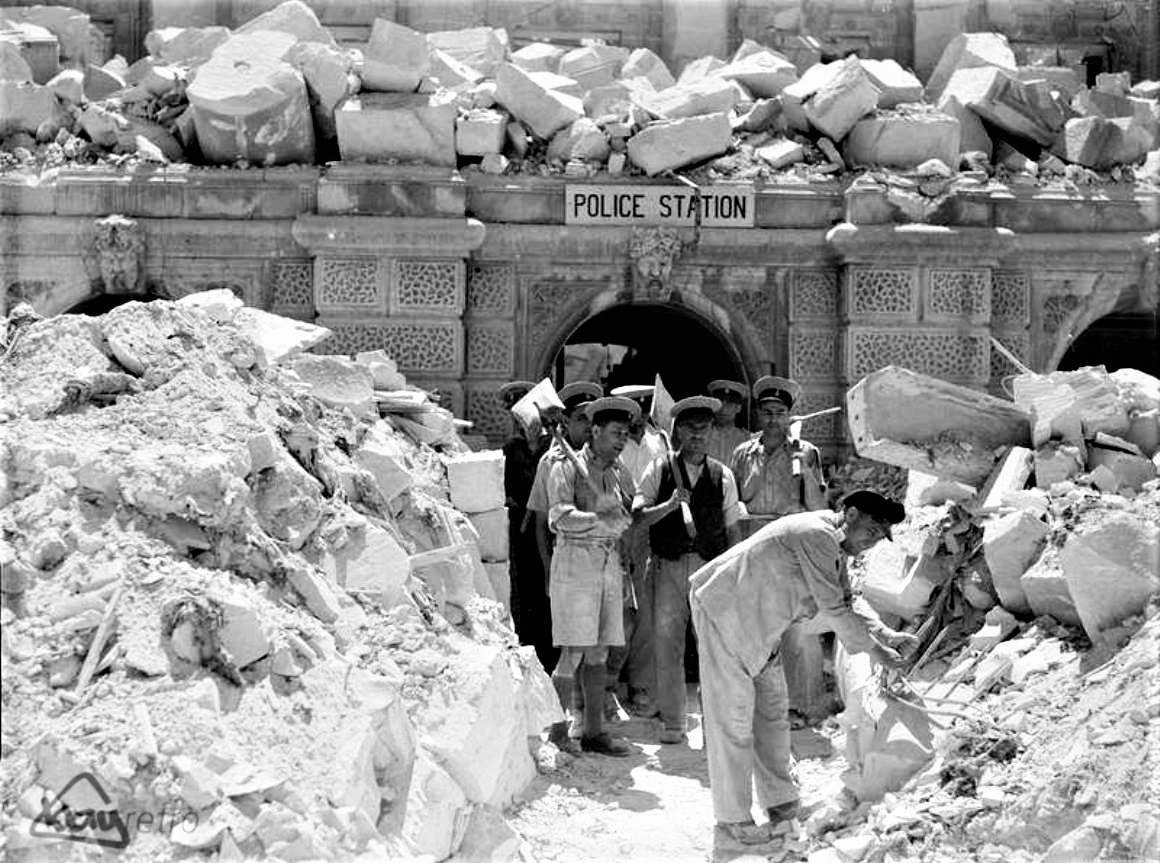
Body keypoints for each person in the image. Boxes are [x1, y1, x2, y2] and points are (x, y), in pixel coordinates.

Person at [689, 490, 918, 845]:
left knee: (773, 715)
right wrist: (879, 653)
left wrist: (886, 633)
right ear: (851, 514)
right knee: (732, 722)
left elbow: (848, 599)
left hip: (763, 626)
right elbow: (836, 610)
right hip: (725, 612)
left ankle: (781, 804)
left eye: (880, 537)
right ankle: (732, 819)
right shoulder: (817, 535)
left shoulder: (836, 546)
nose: (872, 542)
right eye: (871, 531)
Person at [632, 396, 742, 744]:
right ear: (677, 430)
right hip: (668, 567)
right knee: (668, 645)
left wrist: (732, 573)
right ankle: (674, 723)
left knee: (712, 648)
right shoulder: (659, 468)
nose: (698, 434)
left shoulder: (722, 474)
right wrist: (669, 505)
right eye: (690, 428)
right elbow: (638, 516)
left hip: (710, 569)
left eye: (704, 428)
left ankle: (713, 724)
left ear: (711, 430)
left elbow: (733, 529)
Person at [729, 375, 830, 724]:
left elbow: (818, 508)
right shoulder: (743, 454)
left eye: (780, 412)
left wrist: (805, 469)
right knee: (757, 629)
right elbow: (735, 504)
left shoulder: (806, 453)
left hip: (790, 550)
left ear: (789, 416)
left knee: (794, 632)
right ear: (758, 415)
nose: (773, 419)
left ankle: (795, 706)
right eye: (767, 412)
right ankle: (760, 705)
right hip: (755, 547)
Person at [545, 396, 640, 758]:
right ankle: (557, 731)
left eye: (625, 434)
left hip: (607, 562)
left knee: (600, 650)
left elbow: (630, 510)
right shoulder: (564, 466)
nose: (620, 441)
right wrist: (596, 518)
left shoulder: (617, 473)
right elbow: (558, 517)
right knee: (573, 651)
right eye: (615, 433)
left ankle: (595, 732)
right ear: (595, 430)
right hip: (575, 561)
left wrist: (626, 514)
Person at [522, 381, 602, 674]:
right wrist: (547, 569)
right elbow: (542, 525)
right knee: (569, 641)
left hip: (602, 562)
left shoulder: (605, 460)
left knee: (600, 641)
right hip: (567, 561)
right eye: (581, 419)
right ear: (565, 421)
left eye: (593, 420)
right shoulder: (551, 462)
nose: (589, 427)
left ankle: (595, 703)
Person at [605, 383, 668, 717]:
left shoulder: (660, 441)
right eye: (636, 409)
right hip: (620, 531)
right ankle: (610, 685)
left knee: (646, 615)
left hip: (652, 533)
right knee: (619, 615)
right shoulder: (614, 444)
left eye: (646, 407)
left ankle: (641, 684)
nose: (641, 415)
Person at [500, 379, 540, 643]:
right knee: (525, 585)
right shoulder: (511, 448)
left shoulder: (551, 446)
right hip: (522, 527)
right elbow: (503, 485)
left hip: (547, 525)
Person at [706, 379, 751, 466]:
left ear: (738, 408)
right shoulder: (703, 434)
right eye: (720, 403)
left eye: (729, 404)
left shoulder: (746, 439)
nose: (723, 409)